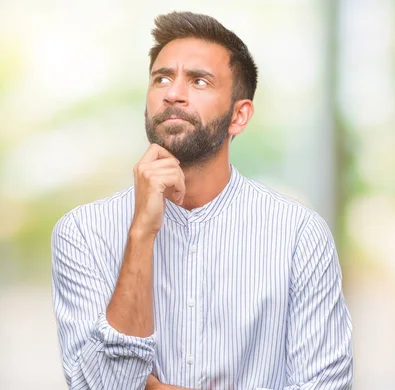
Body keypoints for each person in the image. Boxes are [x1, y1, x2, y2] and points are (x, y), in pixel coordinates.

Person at [51, 11, 353, 390]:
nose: (173, 93)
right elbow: (99, 387)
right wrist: (142, 233)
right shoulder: (81, 233)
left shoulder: (299, 236)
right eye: (162, 78)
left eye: (199, 80)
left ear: (239, 116)